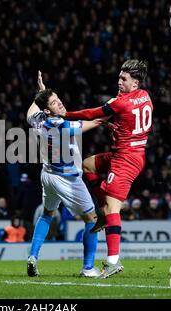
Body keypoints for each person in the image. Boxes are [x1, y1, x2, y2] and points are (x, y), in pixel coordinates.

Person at [63, 60, 154, 278]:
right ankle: (103, 210)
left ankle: (113, 260)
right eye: (119, 77)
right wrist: (115, 126)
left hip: (126, 159)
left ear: (135, 84)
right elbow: (131, 120)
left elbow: (92, 113)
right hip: (125, 154)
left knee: (113, 209)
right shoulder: (146, 95)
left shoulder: (121, 103)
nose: (119, 81)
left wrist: (65, 115)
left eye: (124, 79)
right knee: (87, 164)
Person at [26, 71, 106, 278]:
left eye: (58, 99)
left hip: (47, 175)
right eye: (54, 103)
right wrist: (111, 113)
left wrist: (42, 92)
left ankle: (32, 256)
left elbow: (31, 112)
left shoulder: (39, 121)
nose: (60, 103)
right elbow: (93, 122)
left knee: (47, 214)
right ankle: (88, 268)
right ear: (48, 109)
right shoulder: (61, 125)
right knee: (93, 219)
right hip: (67, 179)